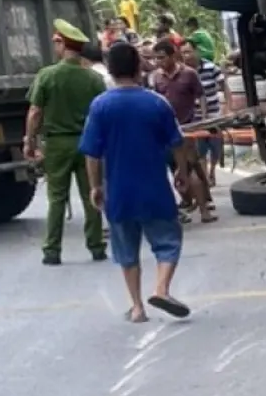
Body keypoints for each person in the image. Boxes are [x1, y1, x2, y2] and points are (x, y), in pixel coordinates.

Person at [81, 42, 192, 323]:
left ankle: (138, 308)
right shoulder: (157, 102)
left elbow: (92, 154)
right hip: (154, 187)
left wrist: (95, 186)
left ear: (110, 69)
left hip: (118, 191)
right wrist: (181, 171)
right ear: (138, 67)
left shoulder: (100, 105)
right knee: (168, 241)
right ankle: (162, 288)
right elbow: (177, 142)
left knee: (125, 250)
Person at [23, 18, 106, 265]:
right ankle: (96, 246)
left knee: (57, 198)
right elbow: (102, 112)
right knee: (91, 193)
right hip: (88, 143)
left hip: (57, 144)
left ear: (62, 44)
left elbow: (35, 112)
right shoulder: (93, 79)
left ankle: (52, 251)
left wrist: (31, 141)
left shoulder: (47, 75)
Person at [148, 39, 215, 222]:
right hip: (166, 130)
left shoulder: (189, 74)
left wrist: (204, 119)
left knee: (189, 167)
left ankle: (204, 210)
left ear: (172, 56)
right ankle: (189, 201)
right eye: (156, 58)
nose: (158, 62)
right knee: (175, 168)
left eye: (162, 57)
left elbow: (201, 97)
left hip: (188, 128)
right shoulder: (157, 77)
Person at [182, 39, 224, 186]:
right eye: (183, 53)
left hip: (214, 114)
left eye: (188, 51)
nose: (186, 55)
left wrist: (228, 108)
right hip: (195, 116)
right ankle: (206, 178)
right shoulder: (183, 72)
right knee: (200, 149)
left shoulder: (211, 67)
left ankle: (212, 170)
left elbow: (224, 87)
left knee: (216, 146)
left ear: (196, 51)